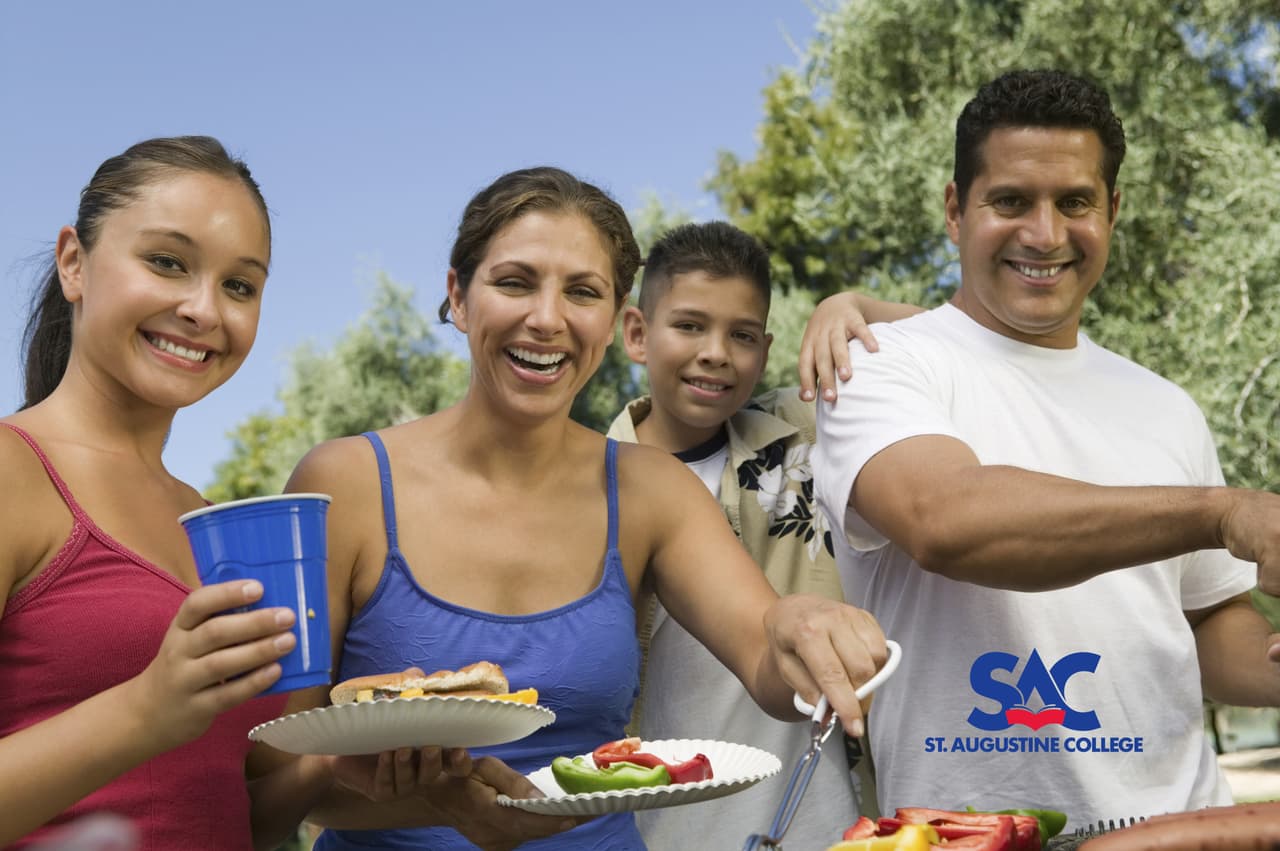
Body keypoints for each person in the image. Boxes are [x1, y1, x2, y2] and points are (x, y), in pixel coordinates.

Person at [281, 166, 889, 850]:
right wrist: (434, 800)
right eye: (515, 282)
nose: (547, 318)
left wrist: (803, 624)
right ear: (457, 296)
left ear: (614, 319)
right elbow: (268, 785)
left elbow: (764, 651)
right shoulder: (343, 483)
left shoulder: (651, 489)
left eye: (583, 292)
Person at [0, 137, 558, 851]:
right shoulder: (16, 472)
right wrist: (145, 708)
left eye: (240, 285)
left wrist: (342, 760)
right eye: (167, 262)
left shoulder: (204, 519)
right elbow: (147, 726)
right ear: (73, 262)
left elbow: (224, 809)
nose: (204, 309)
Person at [807, 69, 1280, 827]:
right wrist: (1224, 513)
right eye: (1011, 200)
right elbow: (945, 520)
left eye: (1076, 202)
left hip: (1181, 828)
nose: (1046, 233)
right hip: (973, 834)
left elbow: (1207, 626)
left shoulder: (1167, 406)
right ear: (956, 210)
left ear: (1113, 211)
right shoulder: (879, 361)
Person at [607, 220, 917, 848]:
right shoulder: (587, 485)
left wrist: (850, 307)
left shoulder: (804, 432)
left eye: (741, 335)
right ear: (637, 334)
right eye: (690, 325)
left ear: (766, 349)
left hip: (819, 819)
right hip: (655, 827)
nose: (716, 351)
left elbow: (961, 338)